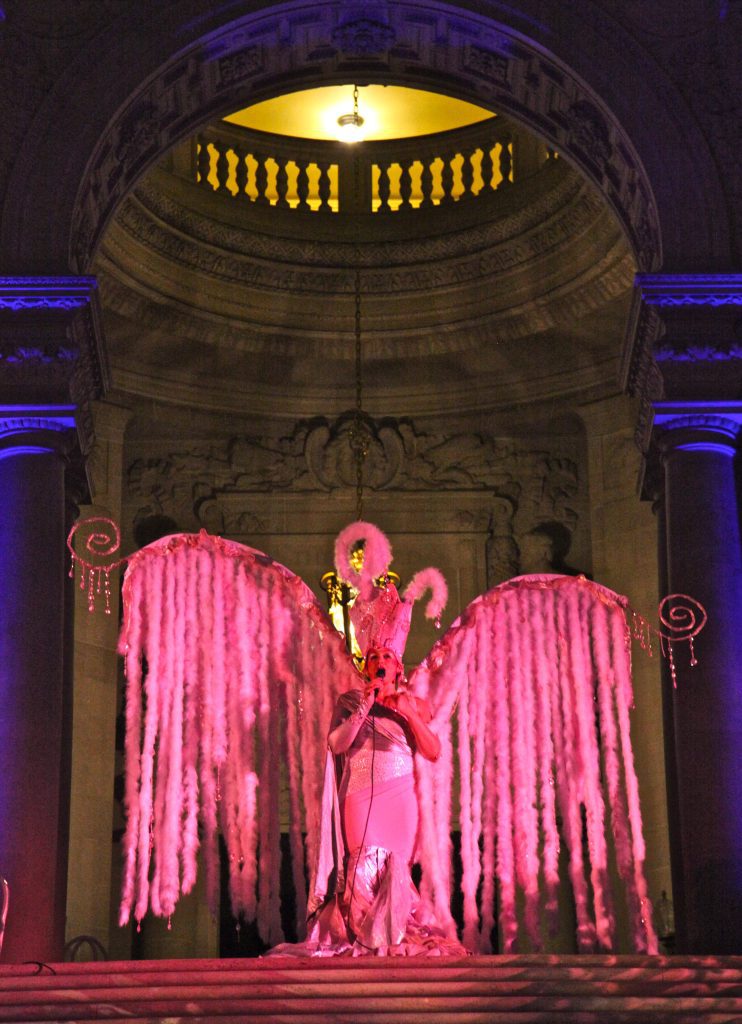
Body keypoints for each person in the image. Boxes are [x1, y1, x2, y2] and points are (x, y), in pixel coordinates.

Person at [300, 581, 466, 957]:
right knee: (361, 864)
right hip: (359, 794)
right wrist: (364, 708)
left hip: (399, 798)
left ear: (397, 667)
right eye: (372, 658)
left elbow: (433, 750)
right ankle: (363, 938)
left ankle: (392, 940)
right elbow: (337, 744)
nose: (378, 664)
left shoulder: (414, 704)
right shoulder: (350, 700)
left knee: (394, 868)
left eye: (385, 659)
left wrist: (406, 712)